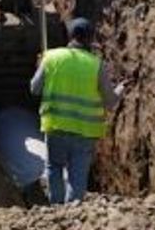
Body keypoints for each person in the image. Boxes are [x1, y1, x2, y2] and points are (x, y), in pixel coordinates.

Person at [30, 18, 125, 205]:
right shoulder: (96, 65)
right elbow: (110, 102)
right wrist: (121, 88)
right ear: (90, 39)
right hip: (84, 132)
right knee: (78, 174)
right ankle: (74, 211)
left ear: (70, 35)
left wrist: (40, 67)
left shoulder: (51, 57)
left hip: (56, 126)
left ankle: (56, 208)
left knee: (54, 167)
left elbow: (35, 89)